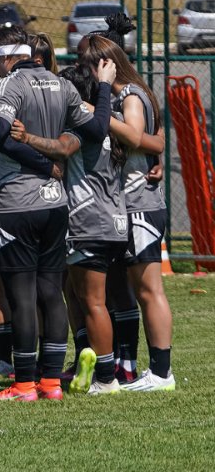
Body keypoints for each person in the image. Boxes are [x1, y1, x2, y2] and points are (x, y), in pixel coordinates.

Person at [0, 25, 114, 402]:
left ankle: (24, 384)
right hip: (56, 204)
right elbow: (98, 130)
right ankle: (51, 383)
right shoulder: (61, 83)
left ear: (6, 56)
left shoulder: (11, 85)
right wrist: (102, 88)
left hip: (17, 202)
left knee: (20, 295)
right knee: (51, 291)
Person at [8, 56, 130, 395]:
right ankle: (88, 363)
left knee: (93, 301)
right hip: (114, 218)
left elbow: (62, 147)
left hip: (89, 220)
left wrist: (27, 137)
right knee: (80, 296)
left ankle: (107, 377)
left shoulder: (82, 123)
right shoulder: (110, 118)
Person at [97, 37, 174, 392]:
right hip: (128, 203)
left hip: (140, 204)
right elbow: (152, 140)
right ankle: (138, 366)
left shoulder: (128, 94)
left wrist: (95, 112)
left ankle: (161, 373)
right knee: (132, 289)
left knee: (149, 290)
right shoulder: (130, 92)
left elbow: (135, 135)